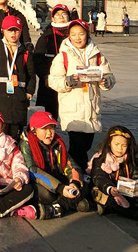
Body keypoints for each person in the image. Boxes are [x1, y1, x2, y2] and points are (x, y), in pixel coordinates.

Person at [48, 19, 116, 172]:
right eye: (73, 34)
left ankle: (72, 170)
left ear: (87, 34)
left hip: (91, 107)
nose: (77, 38)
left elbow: (109, 75)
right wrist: (69, 81)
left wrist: (106, 82)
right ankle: (79, 173)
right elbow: (53, 80)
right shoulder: (63, 56)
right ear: (69, 36)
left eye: (81, 34)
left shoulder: (97, 55)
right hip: (73, 108)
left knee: (86, 145)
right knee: (78, 147)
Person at [19, 111, 90, 219]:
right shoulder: (26, 145)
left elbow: (70, 165)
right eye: (44, 129)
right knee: (49, 195)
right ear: (34, 130)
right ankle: (74, 202)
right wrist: (60, 188)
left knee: (84, 182)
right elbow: (33, 171)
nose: (49, 133)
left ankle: (58, 207)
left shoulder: (58, 143)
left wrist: (74, 182)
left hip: (57, 177)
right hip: (39, 181)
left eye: (51, 128)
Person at [0, 16, 36, 141]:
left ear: (21, 31)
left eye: (16, 30)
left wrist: (29, 92)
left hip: (18, 103)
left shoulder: (25, 51)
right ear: (3, 30)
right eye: (10, 30)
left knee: (16, 139)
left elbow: (31, 75)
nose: (13, 33)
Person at [89, 125, 138, 223]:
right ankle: (135, 215)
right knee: (111, 201)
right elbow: (99, 177)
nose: (120, 149)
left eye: (124, 146)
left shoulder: (130, 160)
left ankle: (116, 209)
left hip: (125, 190)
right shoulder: (100, 159)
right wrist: (110, 188)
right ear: (110, 143)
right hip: (108, 190)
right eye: (116, 144)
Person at [33, 4, 70, 118]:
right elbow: (37, 59)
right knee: (50, 117)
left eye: (64, 14)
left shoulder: (74, 35)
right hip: (50, 84)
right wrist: (45, 76)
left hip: (71, 82)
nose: (61, 17)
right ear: (52, 18)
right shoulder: (46, 37)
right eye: (57, 15)